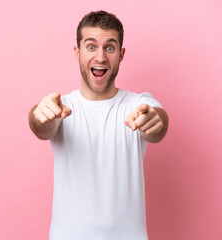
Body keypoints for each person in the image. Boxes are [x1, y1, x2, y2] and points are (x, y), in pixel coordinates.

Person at [28, 10, 169, 240]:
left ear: (121, 54)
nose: (101, 57)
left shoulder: (138, 104)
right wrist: (39, 115)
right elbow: (42, 127)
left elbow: (159, 124)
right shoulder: (62, 106)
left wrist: (154, 121)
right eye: (91, 46)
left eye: (110, 47)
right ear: (77, 52)